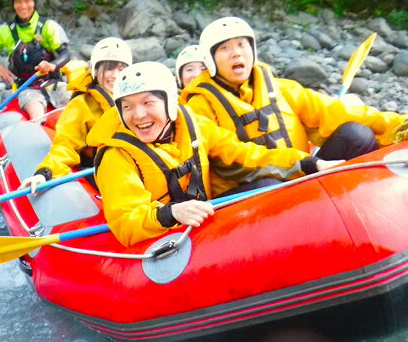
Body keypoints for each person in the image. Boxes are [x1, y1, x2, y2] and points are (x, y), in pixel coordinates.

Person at [89, 62, 336, 247]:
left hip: (202, 221)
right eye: (128, 107)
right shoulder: (115, 156)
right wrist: (171, 213)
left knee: (268, 186)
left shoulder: (194, 125)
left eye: (147, 103)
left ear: (169, 102)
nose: (138, 115)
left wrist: (307, 162)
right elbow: (126, 221)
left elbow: (244, 155)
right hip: (162, 236)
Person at [181, 16, 408, 192]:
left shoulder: (282, 88)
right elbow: (231, 157)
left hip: (304, 173)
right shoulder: (199, 107)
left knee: (355, 134)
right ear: (210, 60)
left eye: (242, 45)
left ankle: (367, 202)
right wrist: (303, 163)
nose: (236, 53)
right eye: (225, 48)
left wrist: (403, 127)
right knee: (270, 185)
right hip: (248, 193)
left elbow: (335, 111)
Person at [21, 37, 133, 193]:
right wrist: (45, 173)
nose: (115, 75)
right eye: (109, 68)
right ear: (96, 71)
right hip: (100, 170)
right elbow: (65, 146)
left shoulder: (136, 100)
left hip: (132, 168)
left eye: (121, 69)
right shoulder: (81, 104)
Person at [0, 0, 70, 119]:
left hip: (53, 83)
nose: (23, 6)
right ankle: (40, 125)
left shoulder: (48, 27)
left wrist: (52, 65)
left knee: (76, 105)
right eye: (18, 2)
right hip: (27, 88)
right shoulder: (5, 31)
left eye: (27, 1)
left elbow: (66, 53)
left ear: (34, 2)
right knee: (37, 113)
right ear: (13, 4)